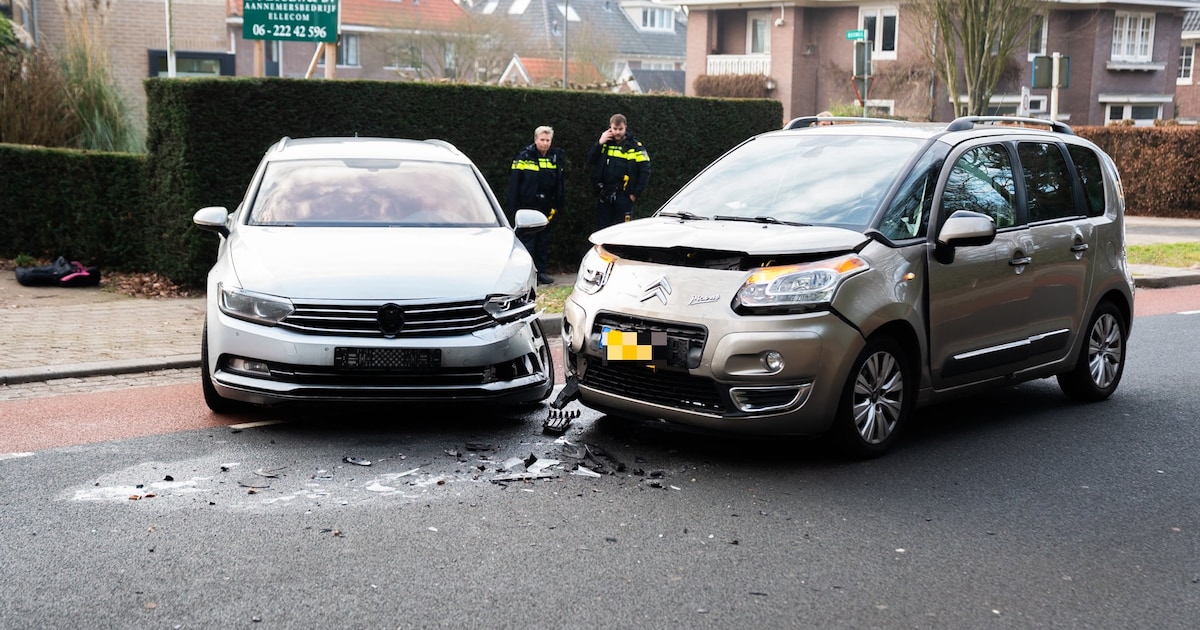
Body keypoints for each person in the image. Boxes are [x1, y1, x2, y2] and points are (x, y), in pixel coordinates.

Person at [508, 125, 566, 285]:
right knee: (528, 243)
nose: (545, 143)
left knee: (543, 242)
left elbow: (559, 183)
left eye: (548, 140)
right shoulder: (524, 157)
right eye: (542, 140)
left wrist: (558, 204)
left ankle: (541, 272)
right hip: (528, 206)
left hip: (547, 207)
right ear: (535, 140)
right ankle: (527, 275)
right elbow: (515, 184)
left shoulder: (555, 158)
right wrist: (513, 207)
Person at [586, 113, 650, 229]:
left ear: (625, 127)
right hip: (604, 194)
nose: (617, 132)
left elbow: (645, 171)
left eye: (620, 129)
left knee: (622, 232)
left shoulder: (635, 147)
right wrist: (599, 143)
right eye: (614, 129)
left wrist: (635, 194)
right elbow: (591, 160)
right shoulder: (605, 144)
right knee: (603, 231)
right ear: (610, 127)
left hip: (624, 196)